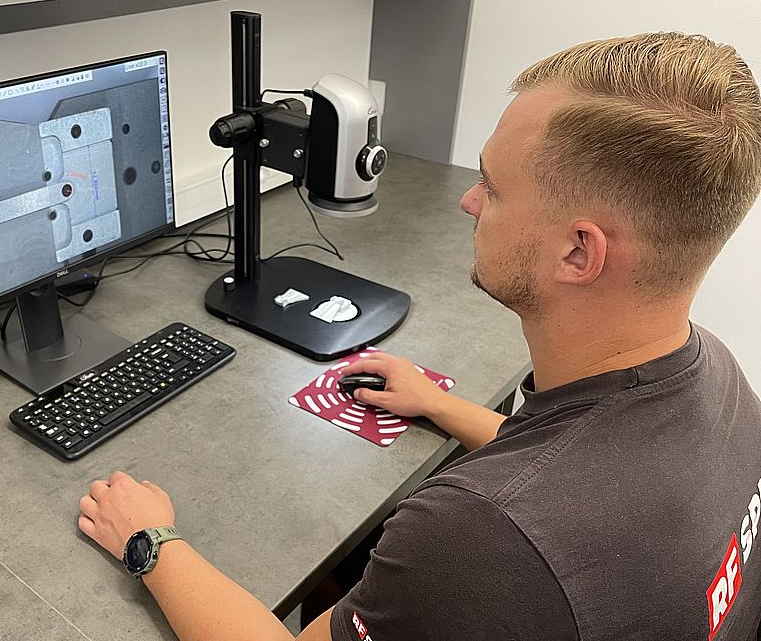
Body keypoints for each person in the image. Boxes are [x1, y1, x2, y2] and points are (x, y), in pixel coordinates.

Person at [77, 32, 761, 640]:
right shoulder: (720, 382)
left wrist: (151, 542)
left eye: (491, 187)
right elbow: (578, 488)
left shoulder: (477, 538)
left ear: (578, 253)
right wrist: (439, 404)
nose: (468, 200)